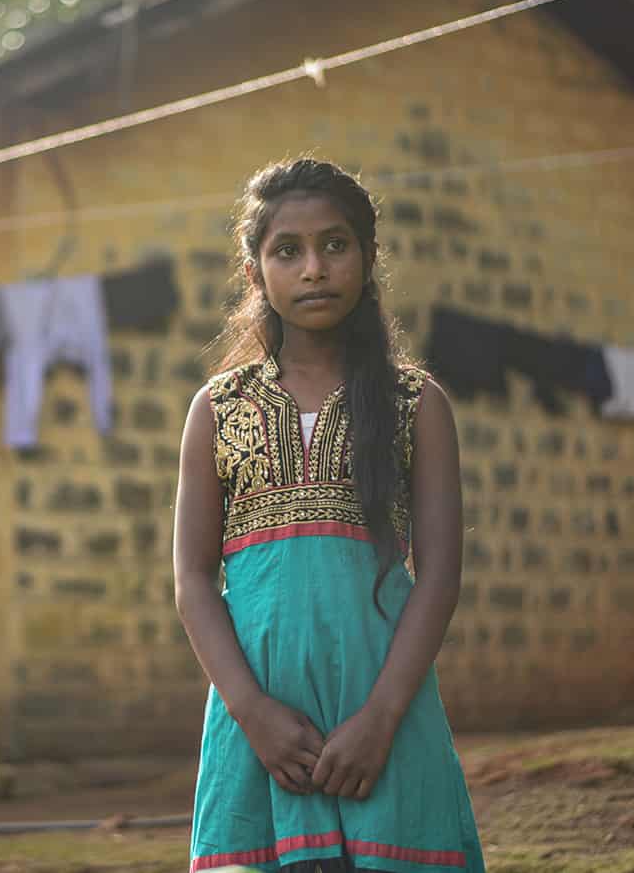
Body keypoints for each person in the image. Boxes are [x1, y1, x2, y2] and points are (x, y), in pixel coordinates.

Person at [175, 157, 485, 872]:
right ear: (256, 273)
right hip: (259, 734)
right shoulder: (217, 410)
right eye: (288, 250)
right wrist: (253, 713)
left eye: (335, 244)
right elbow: (192, 580)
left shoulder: (417, 405)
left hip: (385, 719)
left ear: (368, 258)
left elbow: (438, 577)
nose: (313, 267)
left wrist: (380, 719)